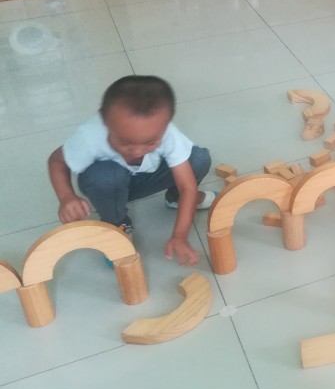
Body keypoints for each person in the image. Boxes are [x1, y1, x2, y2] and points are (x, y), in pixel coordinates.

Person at [47, 76, 214, 267]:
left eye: (150, 142)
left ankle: (175, 199)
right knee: (104, 175)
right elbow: (57, 161)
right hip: (108, 187)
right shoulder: (90, 134)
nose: (137, 151)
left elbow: (187, 186)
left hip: (147, 179)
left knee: (198, 159)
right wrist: (66, 196)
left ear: (165, 125)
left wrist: (180, 236)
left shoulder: (168, 133)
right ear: (104, 120)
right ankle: (117, 223)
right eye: (125, 141)